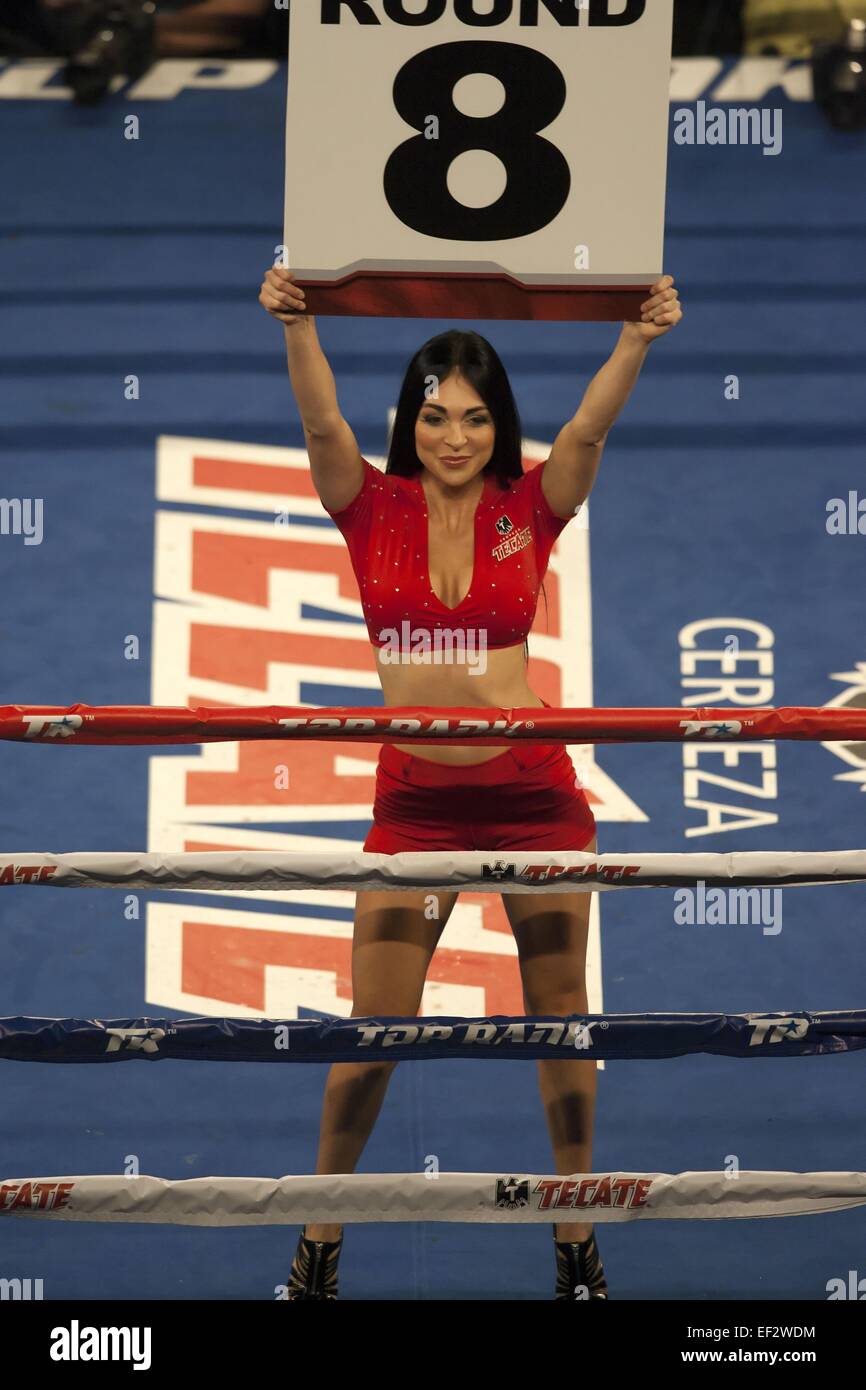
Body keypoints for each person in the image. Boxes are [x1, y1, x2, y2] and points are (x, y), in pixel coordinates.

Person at [259, 266, 682, 1300]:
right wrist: (299, 325)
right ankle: (321, 1240)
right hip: (413, 810)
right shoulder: (366, 503)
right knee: (373, 1038)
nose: (454, 434)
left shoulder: (531, 504)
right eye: (435, 414)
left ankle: (572, 1235)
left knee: (559, 1021)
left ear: (499, 425)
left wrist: (636, 336)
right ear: (408, 418)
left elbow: (582, 435)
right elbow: (318, 425)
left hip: (533, 797)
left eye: (476, 417)